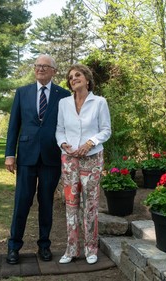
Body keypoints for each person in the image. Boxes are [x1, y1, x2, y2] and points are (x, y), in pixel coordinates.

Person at [4, 54, 70, 265]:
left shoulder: (64, 95)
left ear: (54, 71)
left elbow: (69, 125)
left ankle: (44, 245)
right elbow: (14, 125)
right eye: (37, 66)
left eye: (45, 66)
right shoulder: (23, 93)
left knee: (46, 203)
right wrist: (9, 154)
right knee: (22, 202)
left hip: (51, 157)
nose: (40, 69)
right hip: (26, 156)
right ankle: (14, 246)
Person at [55, 64, 111, 265]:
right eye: (70, 77)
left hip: (92, 158)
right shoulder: (64, 103)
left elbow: (106, 130)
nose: (73, 79)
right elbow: (59, 129)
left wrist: (90, 143)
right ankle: (71, 249)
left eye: (78, 75)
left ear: (87, 79)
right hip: (69, 160)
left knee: (90, 205)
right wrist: (63, 143)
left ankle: (91, 249)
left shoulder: (99, 102)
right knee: (71, 204)